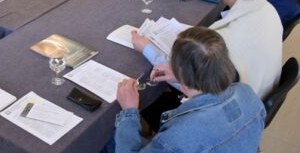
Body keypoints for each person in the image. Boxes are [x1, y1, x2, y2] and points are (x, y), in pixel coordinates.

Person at [133, 0, 282, 98]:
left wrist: (146, 48)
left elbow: (196, 86)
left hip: (232, 107)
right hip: (259, 94)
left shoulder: (222, 43)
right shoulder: (269, 9)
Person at [112, 27, 265, 152]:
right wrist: (183, 76)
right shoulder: (247, 93)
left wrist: (129, 112)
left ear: (182, 70)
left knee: (109, 139)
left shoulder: (176, 138)